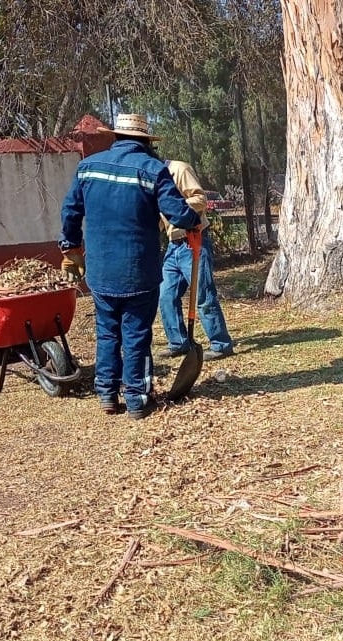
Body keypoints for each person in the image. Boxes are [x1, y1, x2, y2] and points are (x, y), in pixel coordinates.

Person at [59, 113, 201, 419]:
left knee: (108, 331)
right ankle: (136, 398)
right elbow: (177, 213)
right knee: (136, 333)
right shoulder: (153, 169)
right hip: (139, 270)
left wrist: (71, 249)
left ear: (116, 138)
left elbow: (70, 211)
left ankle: (107, 395)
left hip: (99, 270)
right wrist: (195, 220)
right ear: (145, 142)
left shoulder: (87, 168)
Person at [157, 159, 234, 362]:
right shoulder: (153, 177)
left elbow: (200, 199)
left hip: (193, 239)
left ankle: (221, 344)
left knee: (203, 295)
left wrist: (172, 205)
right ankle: (178, 342)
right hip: (173, 244)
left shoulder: (179, 170)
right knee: (165, 295)